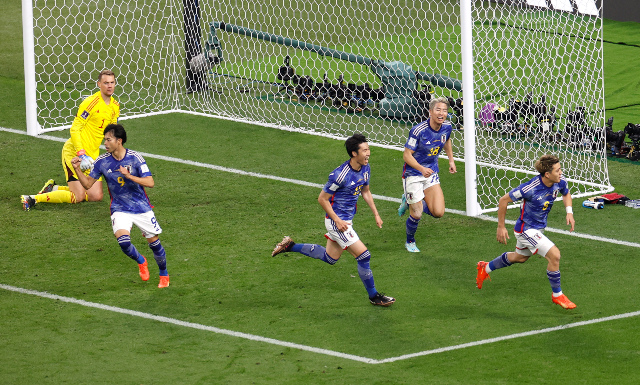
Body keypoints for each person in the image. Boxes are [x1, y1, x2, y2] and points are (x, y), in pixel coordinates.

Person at [271, 133, 395, 306]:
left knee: (331, 258)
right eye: (365, 150)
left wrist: (376, 214)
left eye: (369, 150)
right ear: (354, 153)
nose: (368, 153)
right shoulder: (339, 175)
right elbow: (322, 198)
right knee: (364, 256)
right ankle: (374, 296)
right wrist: (336, 220)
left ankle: (290, 246)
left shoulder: (365, 168)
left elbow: (365, 191)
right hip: (337, 223)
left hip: (346, 221)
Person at [71, 124, 169, 288]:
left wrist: (129, 176)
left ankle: (163, 274)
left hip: (141, 208)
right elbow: (88, 185)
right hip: (119, 208)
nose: (105, 143)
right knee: (123, 242)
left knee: (155, 244)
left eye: (108, 140)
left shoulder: (135, 158)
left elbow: (150, 182)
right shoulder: (102, 162)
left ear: (119, 141)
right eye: (105, 140)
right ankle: (141, 261)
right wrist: (77, 170)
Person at [476, 154, 576, 309]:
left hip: (538, 229)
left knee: (520, 258)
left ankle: (485, 267)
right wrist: (501, 226)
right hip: (526, 230)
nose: (561, 173)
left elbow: (566, 193)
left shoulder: (559, 182)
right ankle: (558, 295)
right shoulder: (529, 188)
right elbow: (503, 200)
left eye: (560, 169)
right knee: (555, 255)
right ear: (547, 174)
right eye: (558, 170)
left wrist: (569, 212)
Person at [21, 69, 120, 210]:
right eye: (106, 83)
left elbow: (112, 133)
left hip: (92, 156)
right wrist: (81, 152)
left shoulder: (115, 106)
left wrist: (115, 155)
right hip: (75, 152)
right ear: (99, 84)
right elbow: (75, 129)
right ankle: (33, 199)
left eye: (112, 82)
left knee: (96, 196)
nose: (109, 86)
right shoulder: (90, 103)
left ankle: (53, 188)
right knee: (78, 197)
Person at [397, 97, 457, 252]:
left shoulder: (447, 127)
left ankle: (410, 200)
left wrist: (451, 160)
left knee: (438, 212)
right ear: (430, 112)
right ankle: (410, 241)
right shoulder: (418, 130)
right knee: (416, 214)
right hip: (413, 173)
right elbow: (406, 155)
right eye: (438, 110)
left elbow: (447, 140)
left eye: (444, 110)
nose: (442, 113)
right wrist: (421, 169)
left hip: (431, 172)